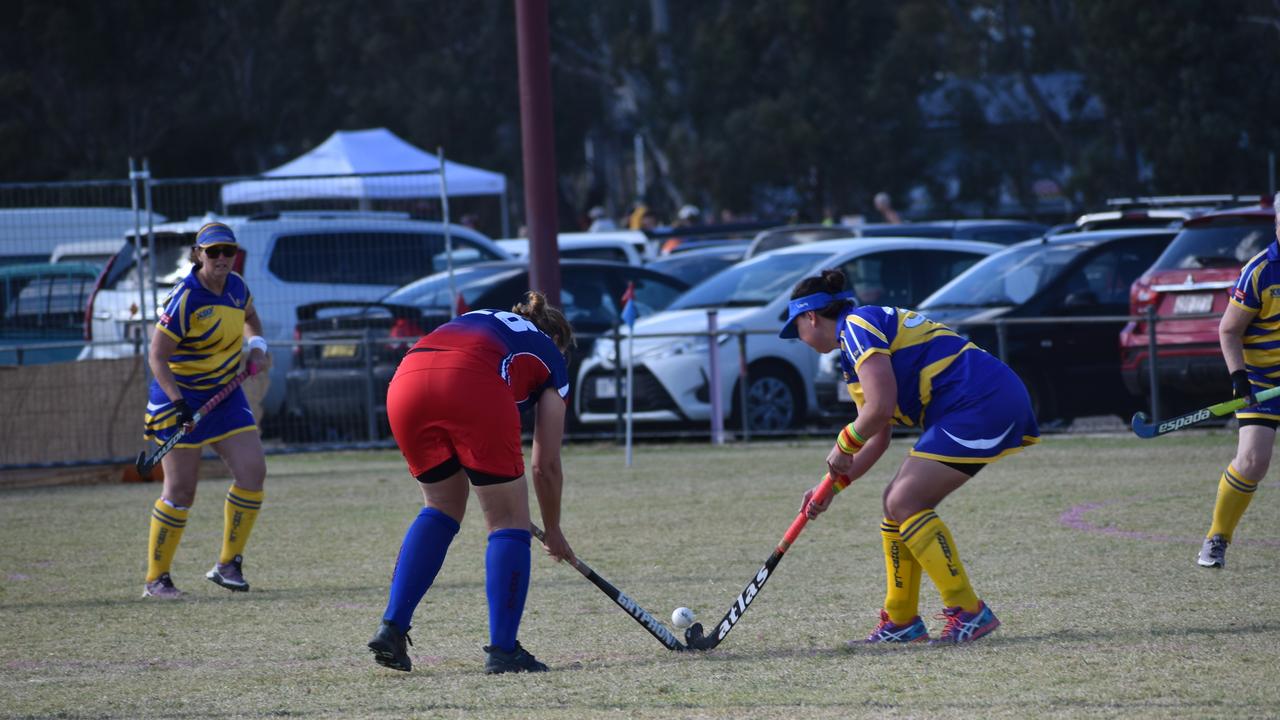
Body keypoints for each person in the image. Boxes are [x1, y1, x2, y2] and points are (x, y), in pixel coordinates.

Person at [781, 269, 1039, 643]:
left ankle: (969, 611)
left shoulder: (858, 324)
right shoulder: (851, 355)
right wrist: (830, 487)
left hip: (982, 401)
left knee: (905, 499)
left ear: (811, 317)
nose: (799, 339)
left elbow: (880, 409)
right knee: (894, 503)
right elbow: (878, 435)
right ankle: (901, 621)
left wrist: (842, 444)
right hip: (965, 407)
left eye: (797, 329)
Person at [367, 291, 577, 674]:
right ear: (558, 341)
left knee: (441, 506)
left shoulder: (487, 319)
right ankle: (504, 649)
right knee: (508, 523)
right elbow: (545, 465)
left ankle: (392, 628)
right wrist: (554, 530)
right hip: (470, 383)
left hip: (407, 382)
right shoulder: (549, 354)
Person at [141, 222, 270, 599]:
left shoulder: (237, 287)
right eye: (212, 252)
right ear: (198, 255)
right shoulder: (186, 297)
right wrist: (180, 405)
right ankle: (157, 579)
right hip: (178, 397)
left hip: (225, 395)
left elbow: (251, 319)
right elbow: (157, 356)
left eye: (227, 251)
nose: (221, 259)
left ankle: (228, 564)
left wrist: (257, 347)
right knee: (181, 489)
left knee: (253, 472)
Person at [1196, 193, 1280, 569]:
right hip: (1263, 381)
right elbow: (1228, 330)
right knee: (1251, 461)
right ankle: (1217, 538)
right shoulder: (1260, 271)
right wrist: (1239, 380)